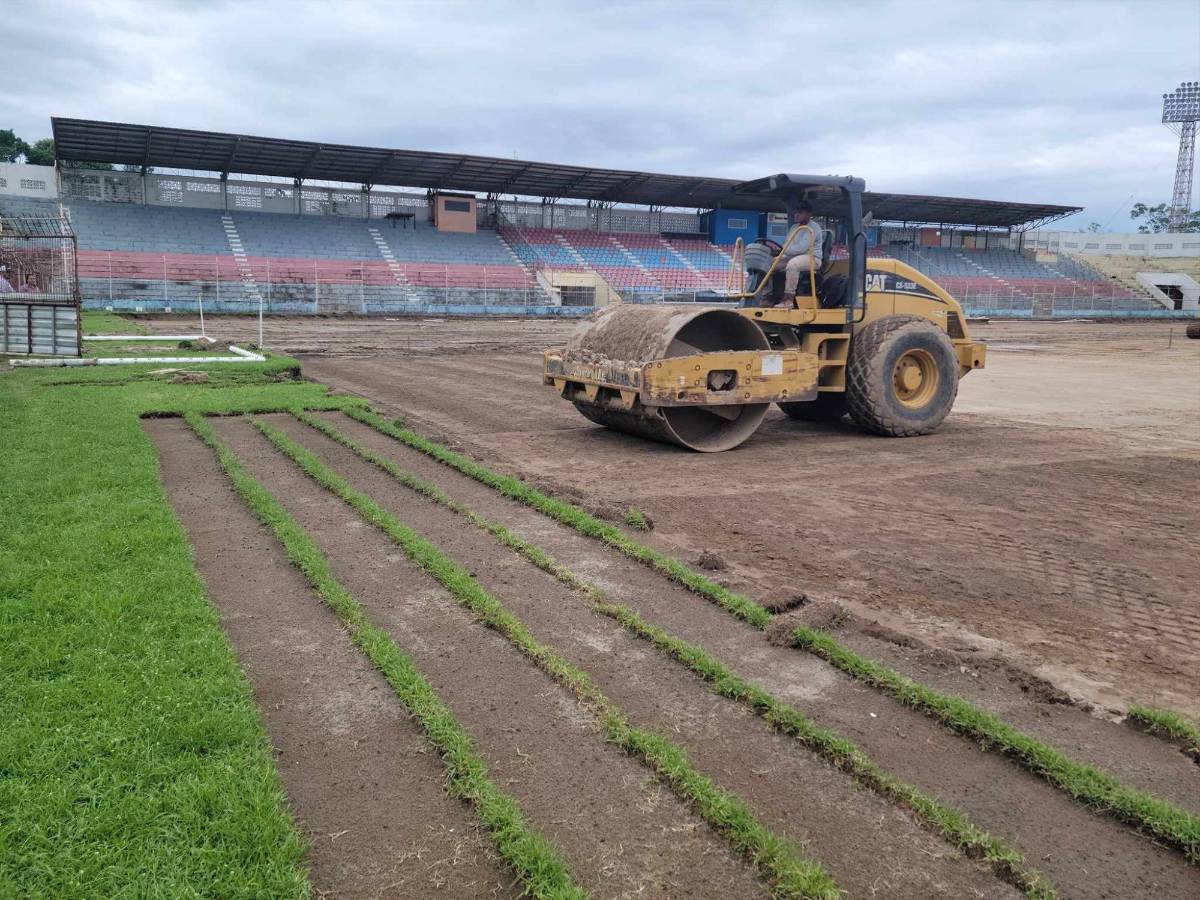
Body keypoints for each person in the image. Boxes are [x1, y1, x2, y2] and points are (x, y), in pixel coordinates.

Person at [777, 201, 823, 308]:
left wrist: (783, 250)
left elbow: (801, 248)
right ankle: (769, 296)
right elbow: (787, 245)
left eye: (800, 212)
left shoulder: (813, 228)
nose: (796, 214)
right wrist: (780, 253)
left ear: (809, 214)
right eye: (795, 212)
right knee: (771, 264)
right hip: (795, 256)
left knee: (793, 265)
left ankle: (788, 299)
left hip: (812, 258)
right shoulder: (794, 228)